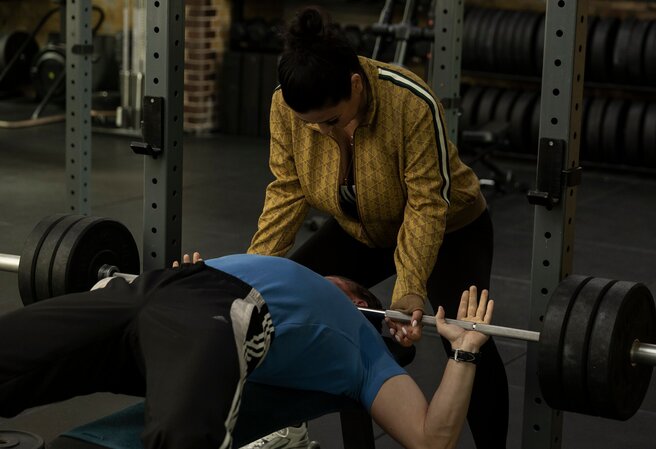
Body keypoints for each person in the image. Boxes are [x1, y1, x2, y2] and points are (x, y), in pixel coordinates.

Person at [248, 7, 508, 447]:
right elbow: (287, 190)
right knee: (277, 303)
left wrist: (409, 289)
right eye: (314, 126)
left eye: (331, 121)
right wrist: (252, 273)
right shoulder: (286, 106)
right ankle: (291, 429)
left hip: (450, 228)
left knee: (464, 335)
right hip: (361, 228)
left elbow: (427, 204)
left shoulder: (409, 102)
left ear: (355, 84)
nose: (324, 133)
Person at [0, 253, 494, 449]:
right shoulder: (271, 263)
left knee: (180, 437)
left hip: (221, 311)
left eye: (340, 283)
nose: (325, 276)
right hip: (152, 288)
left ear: (362, 301)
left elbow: (433, 439)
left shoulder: (364, 348)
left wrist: (465, 353)